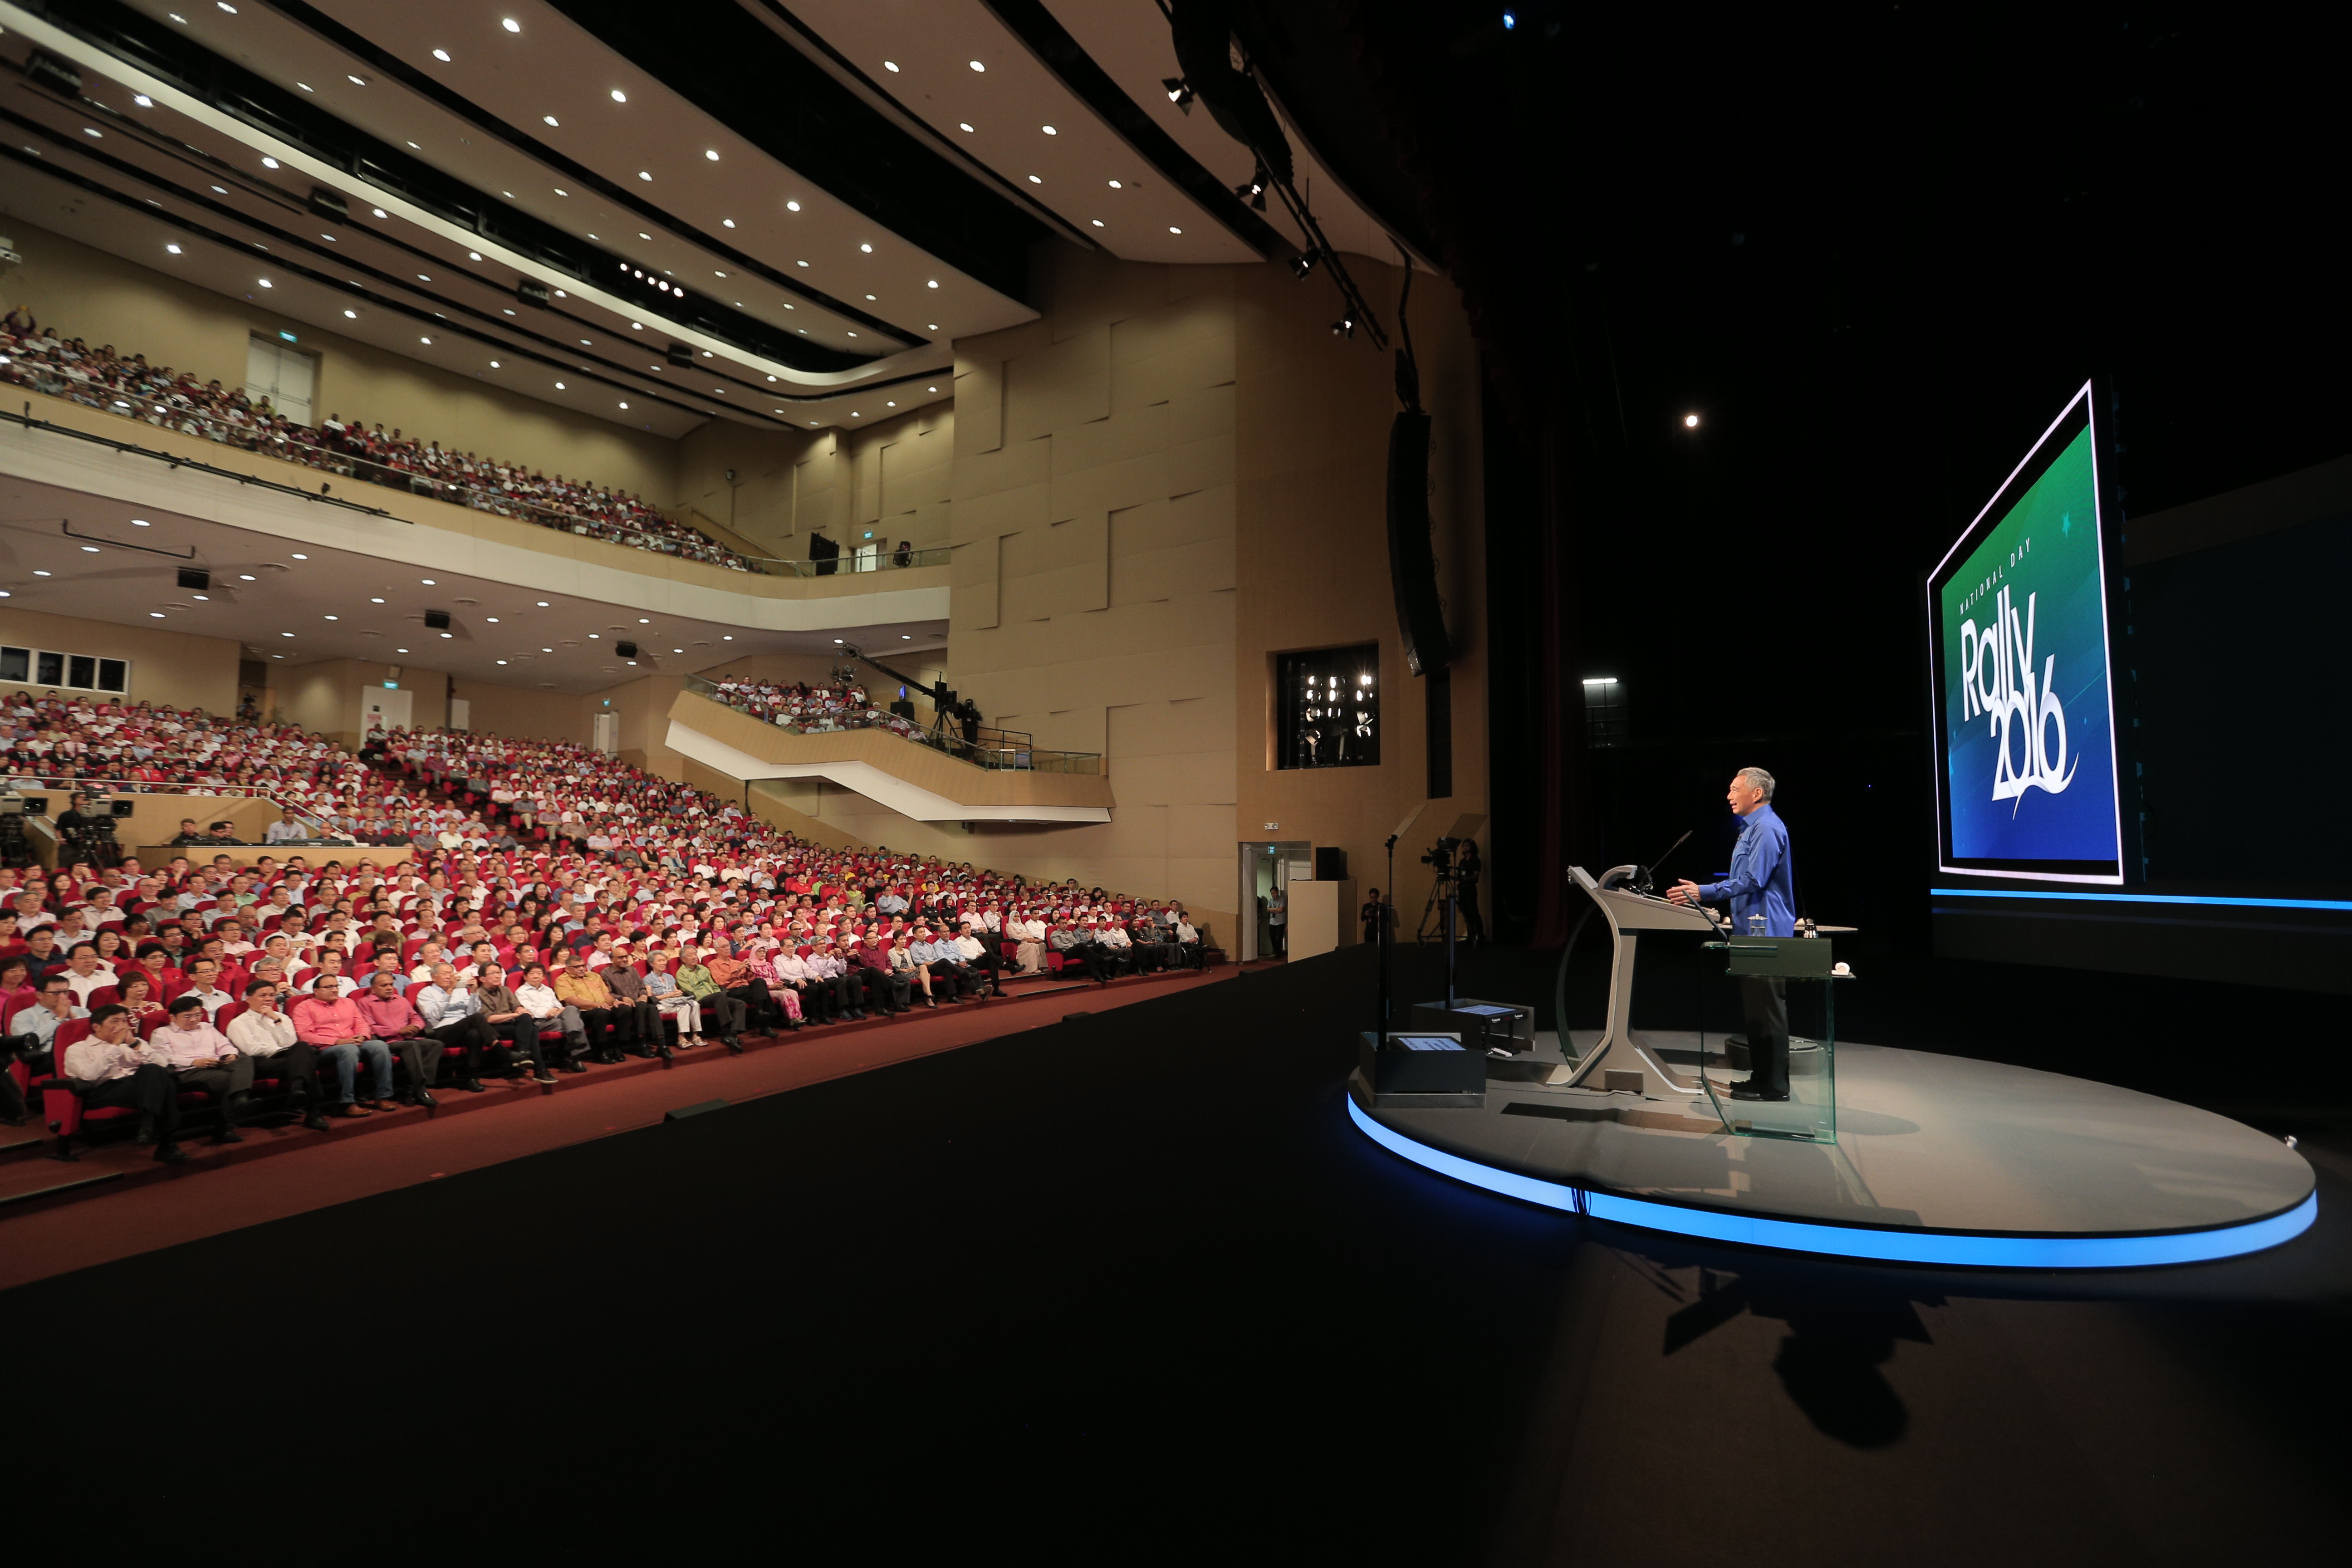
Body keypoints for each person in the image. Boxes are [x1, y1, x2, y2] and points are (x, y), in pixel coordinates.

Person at [1666, 766, 1794, 1102]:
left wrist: (1705, 891)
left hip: (1765, 933)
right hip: (1750, 929)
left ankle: (1776, 1087)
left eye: (1735, 789)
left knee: (1769, 1010)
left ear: (1756, 794)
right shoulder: (1751, 829)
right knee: (1756, 1010)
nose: (1729, 795)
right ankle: (1761, 1078)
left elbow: (1754, 880)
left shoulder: (1766, 828)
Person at [63, 1004, 187, 1163]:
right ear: (97, 1027)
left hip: (139, 1086)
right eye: (115, 1022)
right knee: (166, 1085)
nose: (121, 1026)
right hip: (105, 1089)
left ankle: (148, 1126)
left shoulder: (134, 1043)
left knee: (154, 1071)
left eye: (124, 1021)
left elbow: (163, 1065)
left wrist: (134, 1044)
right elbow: (89, 1076)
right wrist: (115, 1046)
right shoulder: (78, 1049)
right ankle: (166, 1142)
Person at [224, 977, 337, 1129]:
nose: (268, 999)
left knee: (303, 1046)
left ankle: (298, 1089)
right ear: (248, 999)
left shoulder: (282, 1018)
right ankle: (311, 1110)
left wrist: (276, 1020)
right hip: (261, 1062)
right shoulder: (239, 1023)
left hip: (288, 1057)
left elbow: (290, 1043)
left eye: (271, 995)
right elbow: (252, 1050)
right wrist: (280, 1051)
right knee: (305, 1062)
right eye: (263, 995)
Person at [288, 973, 402, 1112]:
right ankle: (347, 1102)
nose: (335, 990)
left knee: (380, 1046)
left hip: (354, 1042)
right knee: (348, 1050)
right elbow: (305, 1036)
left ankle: (383, 1096)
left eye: (336, 986)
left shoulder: (348, 1003)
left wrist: (362, 1037)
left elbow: (362, 1024)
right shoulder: (304, 1008)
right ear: (316, 991)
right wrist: (337, 1042)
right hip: (325, 1050)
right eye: (329, 987)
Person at [146, 994, 251, 1144]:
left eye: (197, 1015)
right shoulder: (162, 1033)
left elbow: (225, 1044)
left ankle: (241, 1099)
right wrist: (194, 1062)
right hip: (187, 1072)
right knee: (230, 1080)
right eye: (188, 1016)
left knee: (244, 1060)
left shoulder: (207, 1027)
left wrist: (229, 1054)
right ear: (173, 1018)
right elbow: (163, 1058)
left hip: (215, 1064)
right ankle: (224, 1126)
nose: (194, 1020)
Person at [352, 970, 443, 1107]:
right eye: (384, 985)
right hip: (387, 1042)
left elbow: (416, 1017)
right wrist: (398, 1031)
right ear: (374, 989)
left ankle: (417, 1086)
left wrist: (416, 1027)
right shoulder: (365, 1003)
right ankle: (420, 1090)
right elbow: (370, 1027)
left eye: (391, 985)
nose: (389, 988)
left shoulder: (401, 1000)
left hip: (408, 1037)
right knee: (411, 1046)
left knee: (435, 1044)